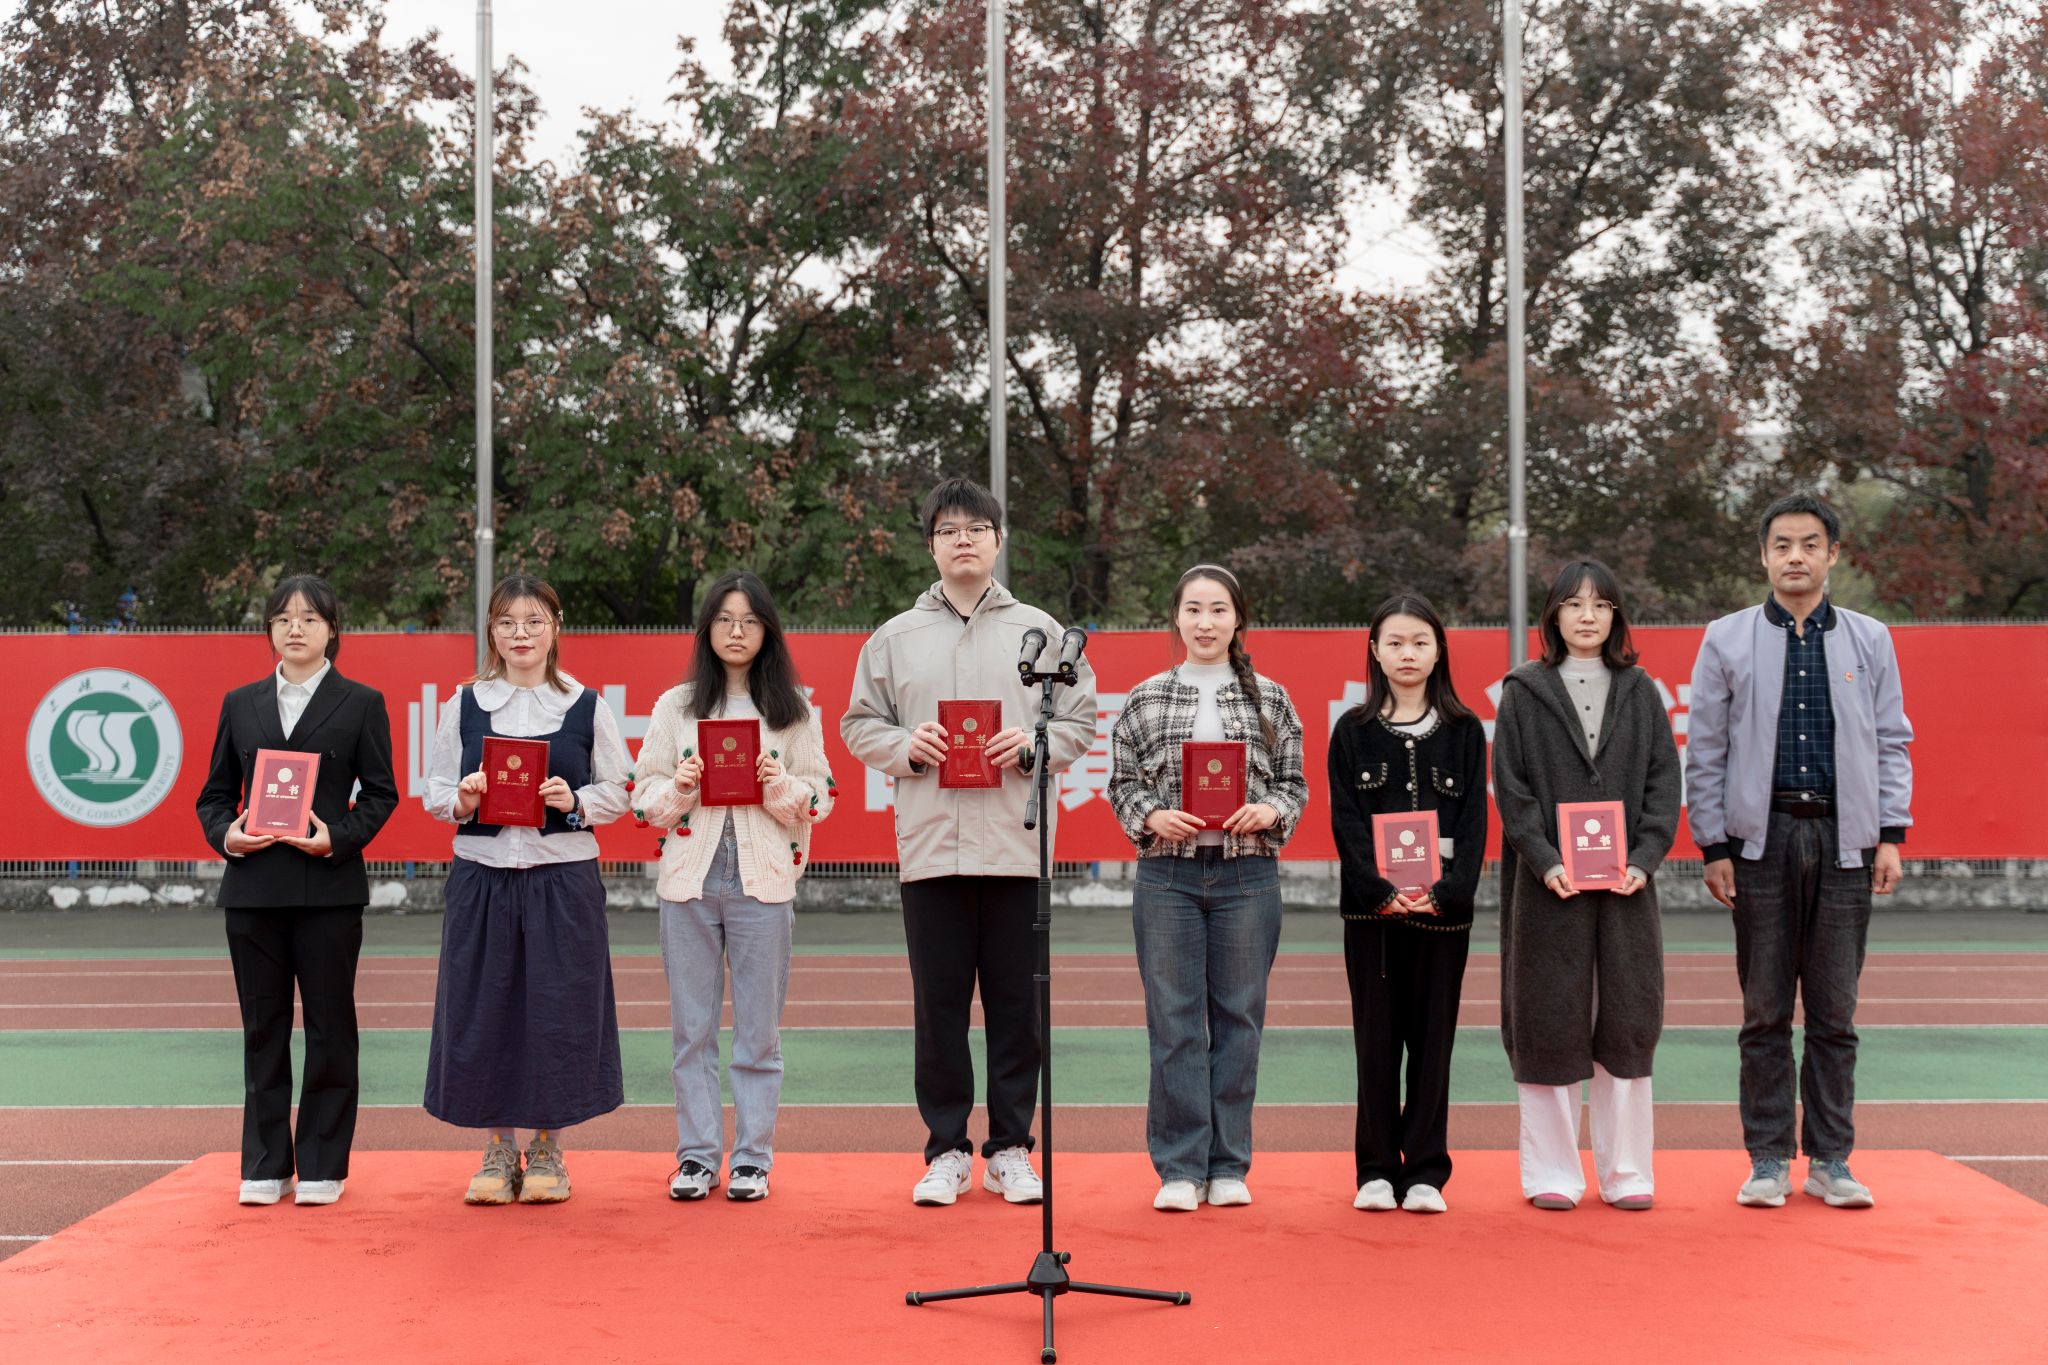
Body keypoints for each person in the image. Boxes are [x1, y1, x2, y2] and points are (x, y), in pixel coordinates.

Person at [841, 477, 1097, 1206]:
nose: (963, 540)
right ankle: (947, 1150)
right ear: (931, 545)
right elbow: (859, 723)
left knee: (1019, 1010)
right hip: (932, 851)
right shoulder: (894, 637)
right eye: (948, 530)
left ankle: (1011, 1148)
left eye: (976, 529)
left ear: (998, 540)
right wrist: (905, 745)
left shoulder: (1041, 631)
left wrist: (1034, 744)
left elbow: (1080, 718)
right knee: (940, 1010)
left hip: (1017, 847)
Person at [1686, 492, 1913, 1210]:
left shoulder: (1870, 639)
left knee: (1835, 1015)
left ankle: (1832, 1160)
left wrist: (1891, 833)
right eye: (1781, 544)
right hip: (1761, 843)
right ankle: (1767, 1159)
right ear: (1763, 555)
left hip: (1846, 842)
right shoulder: (1725, 638)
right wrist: (1713, 843)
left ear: (1832, 554)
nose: (1795, 556)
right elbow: (1706, 748)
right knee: (1764, 1012)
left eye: (1810, 544)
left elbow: (1891, 741)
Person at [421, 573, 631, 1204]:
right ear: (492, 631)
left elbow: (620, 788)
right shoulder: (464, 704)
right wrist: (463, 799)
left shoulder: (586, 705)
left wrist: (575, 800)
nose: (521, 633)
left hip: (561, 877)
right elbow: (434, 789)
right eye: (508, 622)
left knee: (558, 1012)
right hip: (482, 875)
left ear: (554, 628)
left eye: (534, 621)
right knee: (484, 1010)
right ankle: (496, 1148)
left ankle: (547, 1149)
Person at [1107, 564, 1308, 1212]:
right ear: (1176, 617)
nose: (1205, 621)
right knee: (1174, 1023)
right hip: (1168, 876)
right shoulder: (1145, 698)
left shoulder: (1270, 698)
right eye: (1193, 609)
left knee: (1239, 1020)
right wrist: (1150, 816)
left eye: (1218, 609)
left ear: (1237, 619)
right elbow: (1121, 783)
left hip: (1248, 876)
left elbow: (1294, 784)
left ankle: (1227, 1164)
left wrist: (1270, 810)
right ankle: (1179, 1166)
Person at [196, 574, 399, 1207]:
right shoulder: (240, 703)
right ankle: (264, 1164)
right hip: (253, 892)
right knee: (263, 1030)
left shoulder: (361, 702)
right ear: (269, 630)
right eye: (283, 618)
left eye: (309, 618)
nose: (295, 629)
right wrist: (228, 835)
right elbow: (213, 796)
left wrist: (336, 837)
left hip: (328, 892)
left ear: (331, 630)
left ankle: (321, 1164)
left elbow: (382, 794)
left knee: (331, 1029)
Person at [634, 572, 835, 1203]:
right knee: (691, 1031)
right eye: (724, 619)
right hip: (688, 884)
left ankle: (751, 1158)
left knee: (758, 1034)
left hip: (763, 882)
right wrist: (681, 786)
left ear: (767, 631)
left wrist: (778, 783)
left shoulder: (792, 709)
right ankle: (697, 1157)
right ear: (707, 629)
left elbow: (820, 797)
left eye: (749, 620)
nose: (737, 631)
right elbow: (643, 798)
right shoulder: (676, 706)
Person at [1493, 560, 1681, 1211]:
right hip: (1548, 891)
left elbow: (1663, 782)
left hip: (1626, 890)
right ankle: (1552, 1172)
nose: (1587, 616)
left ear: (1616, 616)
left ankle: (1626, 1171)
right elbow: (1512, 789)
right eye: (1574, 604)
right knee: (1547, 1021)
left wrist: (1645, 857)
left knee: (1625, 1022)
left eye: (1601, 605)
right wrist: (1546, 860)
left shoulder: (1641, 691)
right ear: (1553, 616)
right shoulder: (1523, 692)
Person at [1327, 593, 1486, 1214]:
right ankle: (1374, 1170)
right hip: (1374, 916)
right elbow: (1346, 821)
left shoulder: (1465, 731)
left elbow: (1473, 824)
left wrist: (1447, 893)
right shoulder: (1353, 730)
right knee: (1376, 1041)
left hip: (1442, 917)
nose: (1407, 654)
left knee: (1432, 1042)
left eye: (1420, 642)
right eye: (1394, 643)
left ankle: (1424, 1172)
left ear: (1439, 650)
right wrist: (1381, 892)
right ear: (1375, 651)